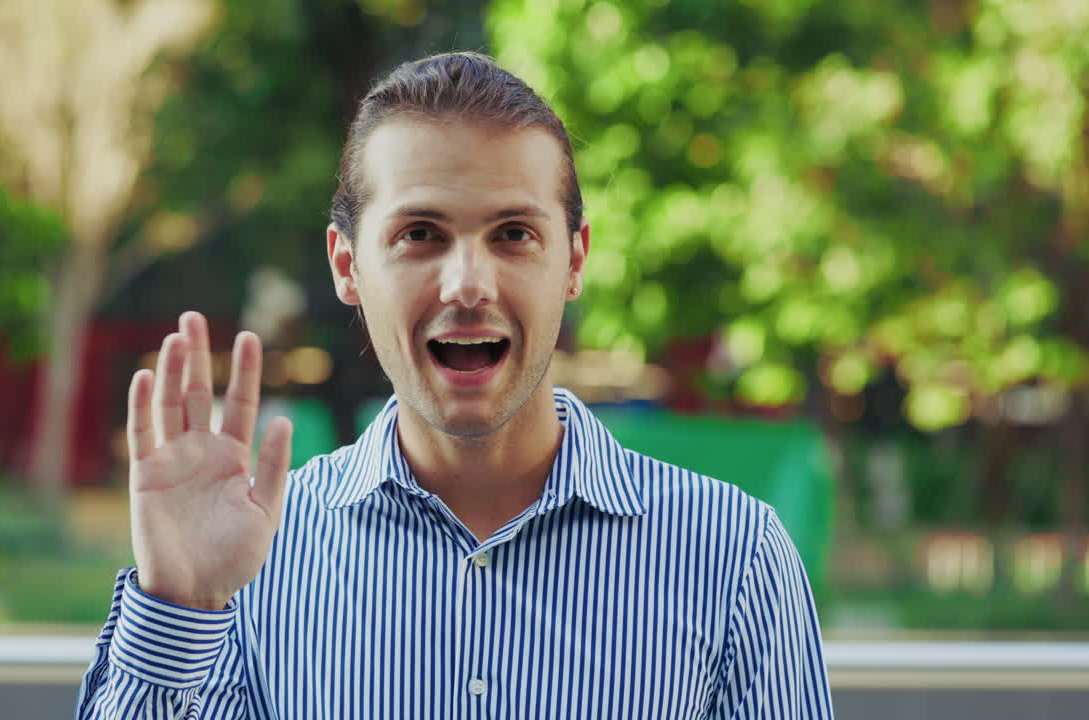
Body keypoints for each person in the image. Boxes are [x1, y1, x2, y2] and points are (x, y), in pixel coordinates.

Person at [75, 52, 834, 719]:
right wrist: (176, 604)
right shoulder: (248, 556)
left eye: (512, 234)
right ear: (347, 266)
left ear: (573, 261)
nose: (468, 283)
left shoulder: (734, 558)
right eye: (420, 235)